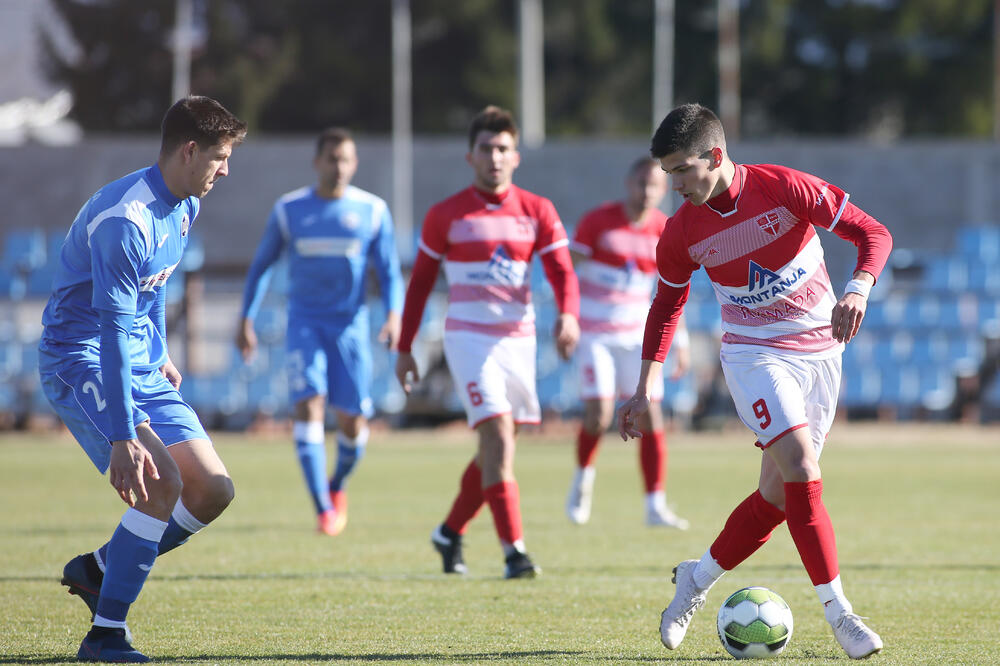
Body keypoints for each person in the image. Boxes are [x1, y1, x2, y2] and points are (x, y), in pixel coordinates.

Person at [618, 103, 892, 660]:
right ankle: (840, 614)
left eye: (680, 171)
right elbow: (665, 305)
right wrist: (644, 386)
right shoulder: (682, 231)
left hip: (821, 352)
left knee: (777, 497)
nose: (673, 187)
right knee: (802, 468)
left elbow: (873, 233)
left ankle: (695, 579)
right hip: (754, 356)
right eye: (666, 174)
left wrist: (859, 288)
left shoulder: (783, 188)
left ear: (716, 156)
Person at [38, 96, 246, 663]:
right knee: (162, 486)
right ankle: (105, 635)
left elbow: (153, 290)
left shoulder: (184, 205)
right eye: (220, 157)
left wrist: (158, 352)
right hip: (80, 358)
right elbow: (107, 330)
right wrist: (126, 436)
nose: (226, 169)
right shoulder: (124, 222)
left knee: (212, 491)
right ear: (189, 150)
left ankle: (99, 568)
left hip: (134, 359)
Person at [394, 105, 580, 579]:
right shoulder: (446, 215)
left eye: (502, 149)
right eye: (485, 149)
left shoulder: (538, 210)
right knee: (498, 438)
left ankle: (450, 532)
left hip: (518, 340)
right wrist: (405, 347)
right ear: (470, 156)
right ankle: (514, 552)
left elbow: (561, 271)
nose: (494, 157)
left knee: (496, 452)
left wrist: (569, 317)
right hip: (468, 340)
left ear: (516, 156)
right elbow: (419, 284)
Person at [236, 127, 403, 536]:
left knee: (352, 422)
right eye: (332, 158)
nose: (339, 166)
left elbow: (389, 271)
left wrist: (394, 315)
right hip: (305, 325)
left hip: (350, 328)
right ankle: (323, 509)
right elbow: (261, 266)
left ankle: (337, 485)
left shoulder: (373, 211)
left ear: (355, 163)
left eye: (346, 159)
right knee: (308, 406)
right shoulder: (289, 210)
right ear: (317, 162)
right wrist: (246, 317)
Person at [565, 156, 692, 528]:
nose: (647, 191)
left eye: (655, 185)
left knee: (651, 414)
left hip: (638, 336)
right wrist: (568, 317)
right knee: (599, 414)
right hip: (595, 335)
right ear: (628, 183)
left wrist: (679, 341)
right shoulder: (598, 222)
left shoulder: (665, 229)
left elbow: (671, 292)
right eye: (642, 183)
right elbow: (566, 272)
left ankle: (655, 505)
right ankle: (582, 481)